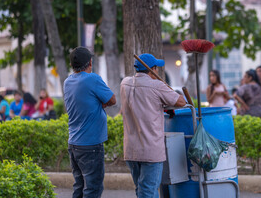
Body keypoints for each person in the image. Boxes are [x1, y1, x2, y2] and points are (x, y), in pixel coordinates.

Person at [120, 53, 186, 198]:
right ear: (153, 69)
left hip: (131, 149)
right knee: (148, 191)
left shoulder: (124, 83)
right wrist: (166, 89)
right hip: (150, 150)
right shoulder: (157, 86)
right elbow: (181, 102)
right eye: (157, 69)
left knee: (141, 190)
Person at [64, 46, 116, 198]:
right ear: (90, 63)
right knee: (92, 189)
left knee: (79, 187)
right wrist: (100, 104)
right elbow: (112, 100)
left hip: (74, 143)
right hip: (90, 145)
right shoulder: (92, 79)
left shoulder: (68, 81)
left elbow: (83, 102)